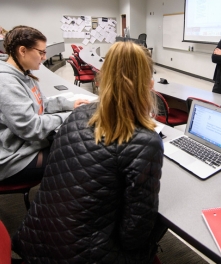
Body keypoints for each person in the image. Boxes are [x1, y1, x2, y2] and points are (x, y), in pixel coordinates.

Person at [13, 41, 166, 263]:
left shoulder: (79, 113)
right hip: (83, 255)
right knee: (158, 223)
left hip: (38, 238)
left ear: (102, 78)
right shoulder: (146, 141)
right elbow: (134, 235)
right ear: (150, 84)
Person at [0, 25, 89, 184]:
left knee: (78, 145)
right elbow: (32, 128)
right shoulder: (6, 83)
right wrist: (69, 115)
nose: (44, 57)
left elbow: (41, 103)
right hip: (14, 157)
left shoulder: (24, 73)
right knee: (79, 159)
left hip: (26, 145)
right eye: (41, 52)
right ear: (22, 51)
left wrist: (71, 104)